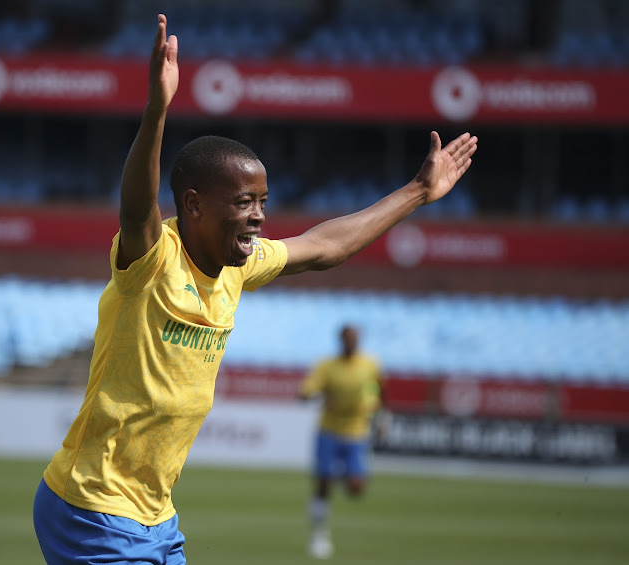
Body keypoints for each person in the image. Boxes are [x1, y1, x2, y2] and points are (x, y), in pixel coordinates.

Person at [32, 13, 477, 565]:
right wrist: (156, 110)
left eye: (263, 202)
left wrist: (416, 191)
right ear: (193, 205)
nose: (259, 217)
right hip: (91, 508)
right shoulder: (150, 259)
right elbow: (137, 205)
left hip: (155, 517)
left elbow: (325, 246)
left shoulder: (239, 265)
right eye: (244, 202)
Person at [299, 325, 383, 559]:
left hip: (357, 431)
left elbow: (378, 389)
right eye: (347, 338)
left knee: (356, 489)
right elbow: (304, 393)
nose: (351, 342)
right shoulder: (327, 366)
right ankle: (319, 534)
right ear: (340, 340)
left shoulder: (370, 364)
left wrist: (381, 416)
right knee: (323, 483)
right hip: (329, 430)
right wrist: (323, 395)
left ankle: (342, 472)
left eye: (355, 338)